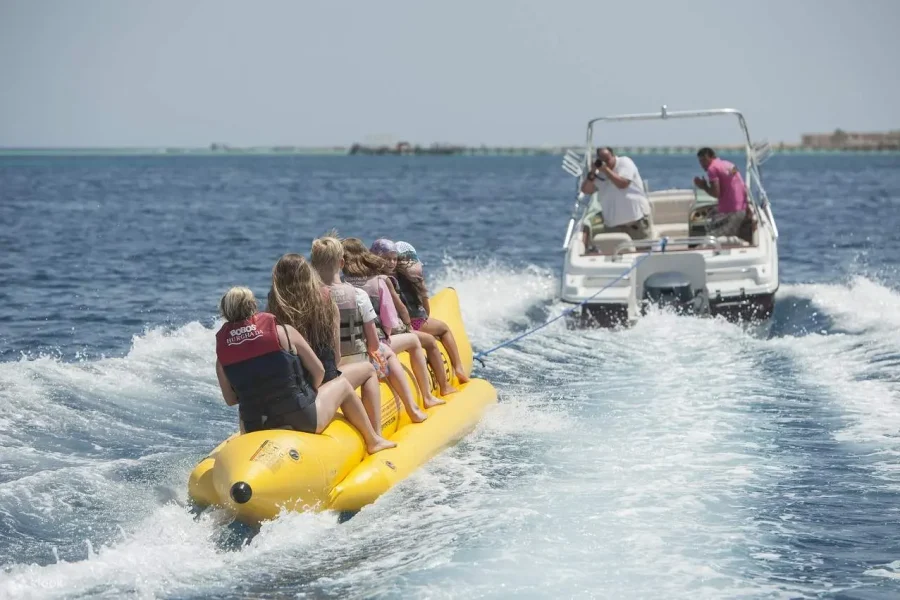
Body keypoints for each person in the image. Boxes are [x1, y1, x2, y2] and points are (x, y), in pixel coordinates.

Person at [214, 286, 395, 454]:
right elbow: (319, 371)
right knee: (342, 384)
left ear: (226, 313)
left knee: (249, 404)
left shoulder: (222, 355)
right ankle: (373, 441)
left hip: (256, 426)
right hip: (301, 419)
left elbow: (231, 400)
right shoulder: (284, 332)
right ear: (253, 306)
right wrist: (309, 395)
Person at [310, 233, 430, 424]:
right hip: (354, 361)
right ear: (340, 263)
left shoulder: (310, 298)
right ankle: (408, 410)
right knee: (385, 354)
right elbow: (373, 344)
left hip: (323, 369)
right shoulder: (358, 295)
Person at [266, 253, 387, 436]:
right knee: (369, 370)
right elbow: (336, 356)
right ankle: (376, 435)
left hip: (293, 387)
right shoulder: (325, 301)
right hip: (323, 380)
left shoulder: (273, 307)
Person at [340, 237, 446, 409]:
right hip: (372, 346)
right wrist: (396, 332)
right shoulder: (378, 282)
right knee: (411, 341)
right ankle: (424, 398)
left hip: (344, 351)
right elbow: (390, 320)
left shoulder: (338, 284)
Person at [369, 238, 458, 397]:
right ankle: (446, 383)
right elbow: (407, 311)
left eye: (394, 259)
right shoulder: (390, 281)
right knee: (435, 336)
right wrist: (408, 328)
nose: (391, 263)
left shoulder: (369, 278)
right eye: (387, 259)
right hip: (395, 331)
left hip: (379, 333)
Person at [393, 241, 470, 386]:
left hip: (397, 325)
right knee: (444, 328)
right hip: (415, 324)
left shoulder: (388, 280)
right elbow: (426, 313)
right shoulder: (416, 281)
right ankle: (458, 367)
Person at [580, 147, 652, 240]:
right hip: (613, 227)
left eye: (607, 160)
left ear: (613, 156)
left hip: (636, 223)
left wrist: (606, 170)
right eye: (602, 160)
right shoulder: (599, 174)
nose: (605, 163)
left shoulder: (625, 163)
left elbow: (622, 184)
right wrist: (592, 172)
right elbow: (586, 190)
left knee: (642, 251)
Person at [693, 147, 752, 242]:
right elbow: (739, 183)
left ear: (712, 157)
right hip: (742, 208)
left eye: (704, 160)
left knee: (710, 238)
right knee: (712, 215)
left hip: (732, 212)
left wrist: (703, 186)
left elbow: (716, 193)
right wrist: (748, 207)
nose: (702, 164)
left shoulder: (712, 169)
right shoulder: (730, 164)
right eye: (700, 161)